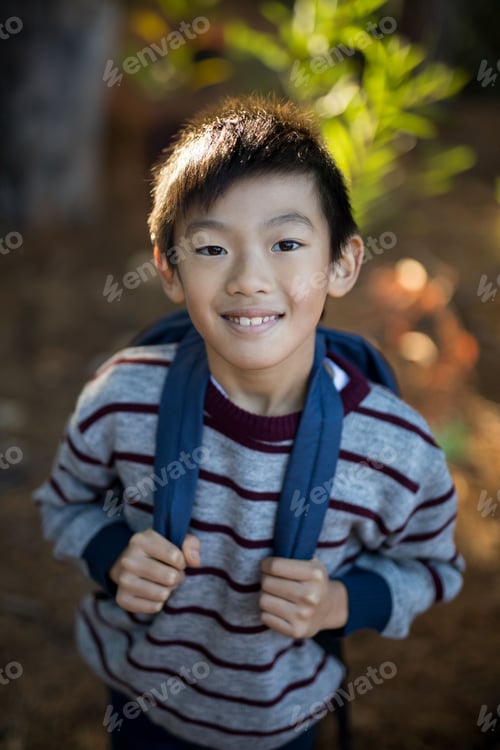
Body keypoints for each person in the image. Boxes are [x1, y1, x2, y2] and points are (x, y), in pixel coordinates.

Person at [34, 94, 464, 750]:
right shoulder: (122, 398)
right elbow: (63, 505)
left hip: (283, 725)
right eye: (210, 248)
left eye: (287, 243)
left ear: (343, 263)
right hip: (139, 702)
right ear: (169, 269)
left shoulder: (396, 450)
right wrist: (112, 554)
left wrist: (340, 604)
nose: (249, 278)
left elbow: (435, 568)